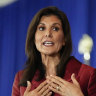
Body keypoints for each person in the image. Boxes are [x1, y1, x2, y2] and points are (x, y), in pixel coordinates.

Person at [12, 6, 96, 96]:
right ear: (34, 38)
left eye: (55, 28)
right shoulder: (20, 77)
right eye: (41, 28)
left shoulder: (88, 74)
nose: (48, 33)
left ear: (64, 39)